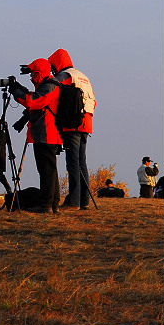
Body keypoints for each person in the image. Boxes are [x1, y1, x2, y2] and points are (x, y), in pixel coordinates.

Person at [10, 58, 62, 213]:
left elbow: (33, 102)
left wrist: (16, 92)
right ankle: (53, 204)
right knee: (50, 170)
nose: (32, 77)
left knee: (46, 170)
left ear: (40, 73)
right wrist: (20, 89)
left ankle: (46, 205)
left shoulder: (50, 87)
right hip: (47, 133)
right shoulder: (50, 85)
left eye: (33, 73)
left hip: (46, 133)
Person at [48, 48, 96, 211]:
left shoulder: (65, 76)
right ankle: (85, 201)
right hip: (86, 124)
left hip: (72, 124)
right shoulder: (83, 76)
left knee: (73, 163)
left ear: (57, 63)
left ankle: (73, 201)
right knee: (82, 162)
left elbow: (51, 93)